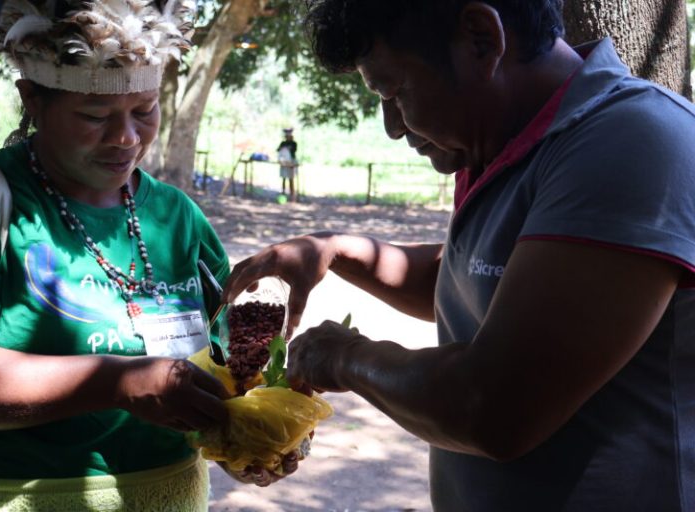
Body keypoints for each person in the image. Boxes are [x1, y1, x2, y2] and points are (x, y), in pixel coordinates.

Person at [223, 0, 695, 510]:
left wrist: (345, 357)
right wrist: (335, 251)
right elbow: (478, 283)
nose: (392, 126)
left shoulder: (624, 142)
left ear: (480, 38)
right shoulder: (498, 142)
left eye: (395, 91)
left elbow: (494, 409)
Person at [0, 0, 296, 510]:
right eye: (94, 116)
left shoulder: (176, 217)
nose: (126, 137)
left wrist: (251, 432)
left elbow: (229, 367)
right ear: (32, 99)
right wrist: (115, 383)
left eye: (144, 111)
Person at [276, 127, 299, 201]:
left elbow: (294, 150)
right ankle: (283, 193)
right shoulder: (283, 143)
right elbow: (278, 150)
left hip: (291, 162)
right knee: (284, 177)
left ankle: (292, 195)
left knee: (291, 178)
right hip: (284, 162)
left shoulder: (294, 143)